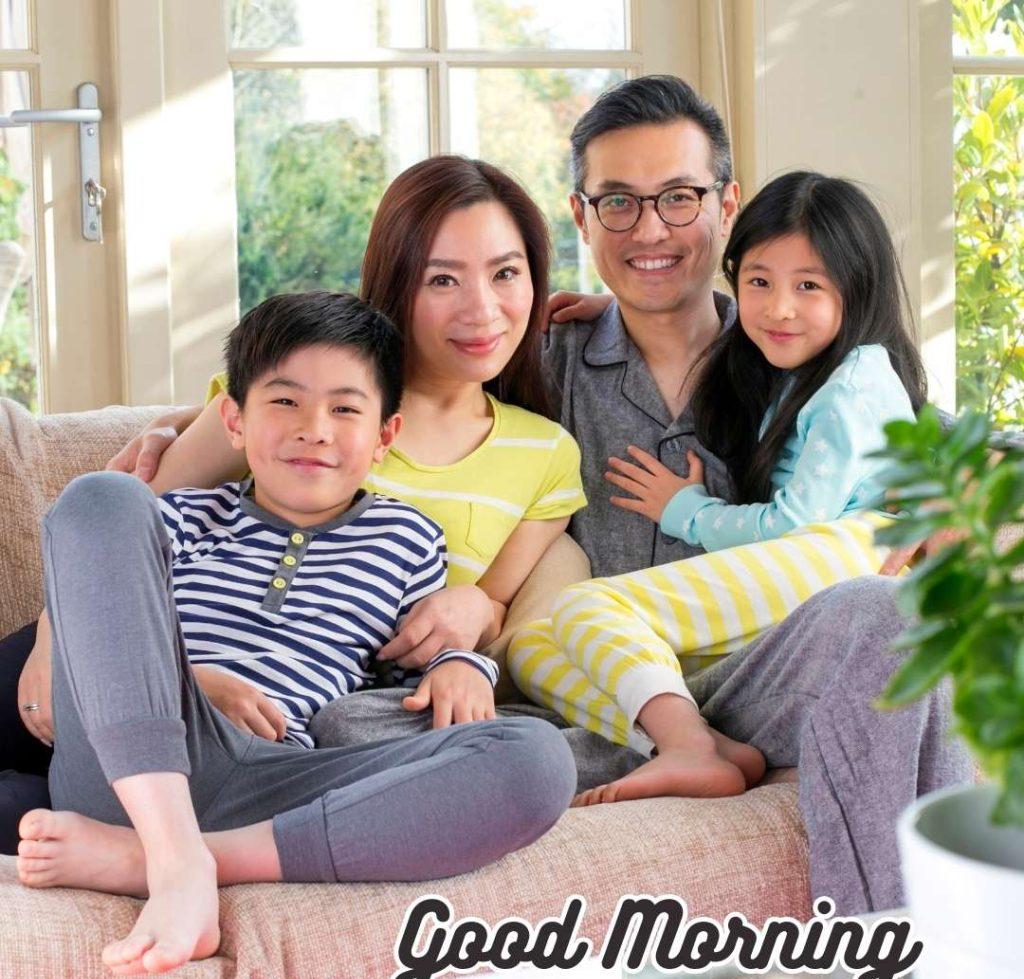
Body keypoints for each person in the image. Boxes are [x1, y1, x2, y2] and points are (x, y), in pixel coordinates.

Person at [40, 76, 972, 916]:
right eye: (619, 202)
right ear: (583, 214)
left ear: (725, 204)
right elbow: (290, 410)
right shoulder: (538, 352)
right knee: (381, 712)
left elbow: (914, 432)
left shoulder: (787, 341)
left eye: (679, 198)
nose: (650, 230)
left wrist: (976, 506)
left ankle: (901, 964)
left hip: (738, 676)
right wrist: (163, 444)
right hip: (569, 698)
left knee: (886, 612)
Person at [2, 156, 594, 847]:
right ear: (398, 283)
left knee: (527, 756)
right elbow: (118, 540)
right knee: (100, 507)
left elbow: (496, 606)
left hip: (286, 727)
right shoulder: (307, 375)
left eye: (506, 273)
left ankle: (142, 848)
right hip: (123, 666)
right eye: (442, 278)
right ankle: (133, 832)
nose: (481, 309)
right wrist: (59, 645)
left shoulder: (543, 453)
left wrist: (475, 617)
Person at [14, 289, 575, 976]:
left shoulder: (408, 539)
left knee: (537, 757)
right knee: (100, 497)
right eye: (284, 402)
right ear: (234, 420)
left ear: (384, 437)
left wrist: (461, 664)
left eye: (345, 409)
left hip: (275, 778)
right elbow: (107, 618)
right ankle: (169, 843)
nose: (315, 428)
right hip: (130, 765)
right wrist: (187, 682)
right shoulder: (184, 516)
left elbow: (405, 682)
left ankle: (167, 858)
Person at [510, 170, 928, 805]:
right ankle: (694, 736)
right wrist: (618, 314)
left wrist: (689, 511)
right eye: (759, 282)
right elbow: (728, 325)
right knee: (531, 648)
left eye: (809, 286)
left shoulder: (854, 384)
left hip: (851, 555)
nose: (779, 307)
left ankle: (686, 746)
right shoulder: (783, 359)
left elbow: (795, 527)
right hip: (811, 573)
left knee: (583, 606)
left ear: (857, 288)